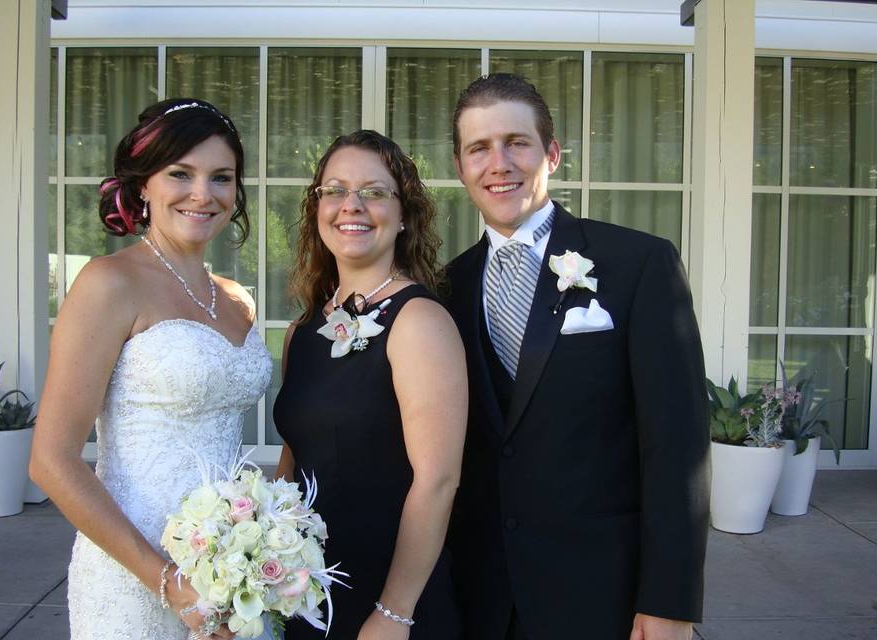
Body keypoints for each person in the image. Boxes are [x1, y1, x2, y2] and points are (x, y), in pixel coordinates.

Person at [443, 73, 710, 640]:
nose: (500, 163)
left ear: (552, 154)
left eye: (517, 142)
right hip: (481, 596)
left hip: (601, 593)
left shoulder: (638, 264)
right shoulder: (446, 288)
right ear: (461, 166)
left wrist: (670, 600)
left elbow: (677, 446)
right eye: (479, 148)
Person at [29, 99, 273, 640]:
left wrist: (252, 552)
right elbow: (51, 461)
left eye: (221, 177)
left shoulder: (236, 301)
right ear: (143, 185)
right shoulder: (108, 283)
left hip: (230, 575)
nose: (202, 194)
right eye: (180, 174)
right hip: (132, 575)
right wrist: (169, 582)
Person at [274, 130, 467, 640]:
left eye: (374, 192)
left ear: (404, 215)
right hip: (307, 587)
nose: (350, 205)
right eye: (334, 190)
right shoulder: (304, 329)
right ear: (317, 209)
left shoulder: (419, 320)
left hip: (388, 596)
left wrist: (394, 612)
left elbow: (439, 480)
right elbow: (295, 459)